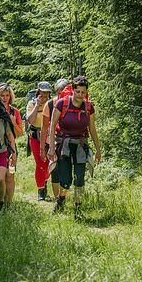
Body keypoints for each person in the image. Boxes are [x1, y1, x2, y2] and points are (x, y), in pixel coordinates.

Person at [47, 76, 102, 219]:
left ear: (86, 92)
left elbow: (92, 129)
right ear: (72, 90)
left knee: (79, 179)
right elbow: (52, 126)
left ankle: (78, 209)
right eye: (77, 92)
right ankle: (60, 200)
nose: (79, 95)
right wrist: (51, 148)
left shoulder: (88, 107)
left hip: (80, 146)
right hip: (63, 146)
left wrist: (98, 149)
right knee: (65, 180)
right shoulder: (61, 104)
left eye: (83, 92)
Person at [0, 83, 22, 205]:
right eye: (2, 95)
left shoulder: (14, 112)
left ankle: (8, 203)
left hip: (10, 148)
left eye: (7, 95)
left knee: (10, 176)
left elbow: (20, 133)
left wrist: (13, 123)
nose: (5, 98)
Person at [40, 78, 70, 200]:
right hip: (51, 142)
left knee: (66, 172)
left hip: (67, 142)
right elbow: (44, 128)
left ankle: (62, 197)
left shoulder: (75, 104)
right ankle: (58, 200)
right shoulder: (50, 104)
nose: (61, 95)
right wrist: (42, 148)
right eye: (58, 92)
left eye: (63, 92)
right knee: (55, 171)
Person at [26, 81, 53, 200]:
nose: (45, 96)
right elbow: (30, 120)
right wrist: (37, 105)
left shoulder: (52, 104)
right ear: (38, 92)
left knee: (48, 163)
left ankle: (45, 180)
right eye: (42, 93)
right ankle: (41, 189)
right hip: (35, 136)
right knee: (40, 163)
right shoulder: (31, 104)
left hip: (49, 136)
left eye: (47, 94)